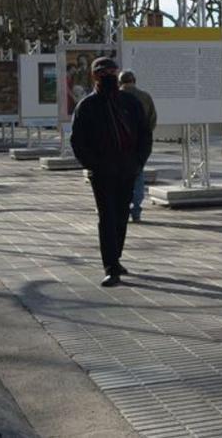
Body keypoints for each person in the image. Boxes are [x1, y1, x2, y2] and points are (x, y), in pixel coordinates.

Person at [71, 57, 152, 287]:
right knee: (106, 216)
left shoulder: (130, 103)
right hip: (103, 171)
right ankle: (110, 265)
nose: (109, 77)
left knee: (121, 216)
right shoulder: (87, 106)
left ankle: (116, 257)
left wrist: (138, 162)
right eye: (104, 73)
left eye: (112, 72)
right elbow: (78, 141)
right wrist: (93, 165)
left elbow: (145, 134)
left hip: (127, 168)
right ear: (95, 76)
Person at [119, 70, 157, 223]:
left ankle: (123, 207)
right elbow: (152, 119)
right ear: (134, 80)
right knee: (138, 176)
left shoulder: (113, 97)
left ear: (120, 81)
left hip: (120, 144)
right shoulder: (145, 97)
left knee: (121, 178)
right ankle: (136, 210)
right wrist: (145, 137)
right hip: (138, 144)